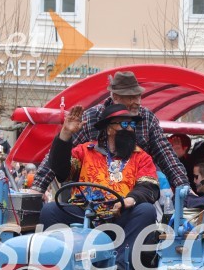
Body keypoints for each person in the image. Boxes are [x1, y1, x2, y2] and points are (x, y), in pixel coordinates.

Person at [40, 104, 159, 270]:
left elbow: (149, 186)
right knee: (50, 211)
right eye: (124, 124)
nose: (131, 129)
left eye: (132, 125)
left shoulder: (142, 157)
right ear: (109, 129)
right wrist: (65, 134)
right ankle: (59, 269)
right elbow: (61, 170)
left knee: (146, 211)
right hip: (83, 213)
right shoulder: (85, 151)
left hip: (119, 217)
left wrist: (129, 200)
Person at [31, 71, 188, 193]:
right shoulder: (90, 118)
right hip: (91, 193)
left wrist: (184, 187)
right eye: (130, 97)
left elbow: (166, 155)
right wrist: (37, 188)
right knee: (52, 212)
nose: (136, 102)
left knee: (145, 211)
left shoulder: (146, 118)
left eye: (138, 96)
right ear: (115, 97)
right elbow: (57, 160)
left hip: (133, 193)